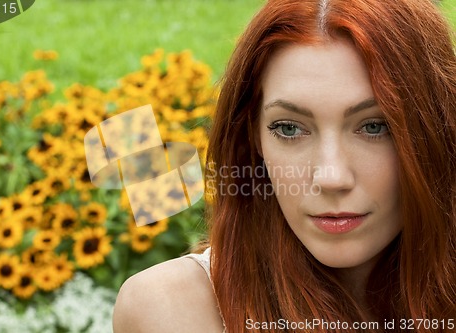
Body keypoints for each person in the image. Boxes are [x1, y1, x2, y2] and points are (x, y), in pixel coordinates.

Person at [113, 0, 456, 332]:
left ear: (437, 130)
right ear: (254, 138)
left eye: (374, 126)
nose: (331, 177)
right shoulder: (175, 310)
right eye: (289, 129)